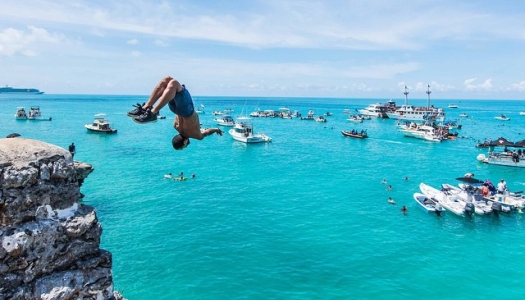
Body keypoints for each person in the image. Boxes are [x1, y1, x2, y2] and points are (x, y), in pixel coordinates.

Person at [128, 76, 222, 150]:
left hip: (186, 110)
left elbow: (207, 132)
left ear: (184, 142)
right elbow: (207, 131)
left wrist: (217, 129)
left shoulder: (196, 135)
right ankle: (146, 108)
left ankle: (151, 112)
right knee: (167, 80)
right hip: (175, 109)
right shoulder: (176, 126)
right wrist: (216, 129)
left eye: (184, 147)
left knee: (173, 83)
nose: (186, 146)